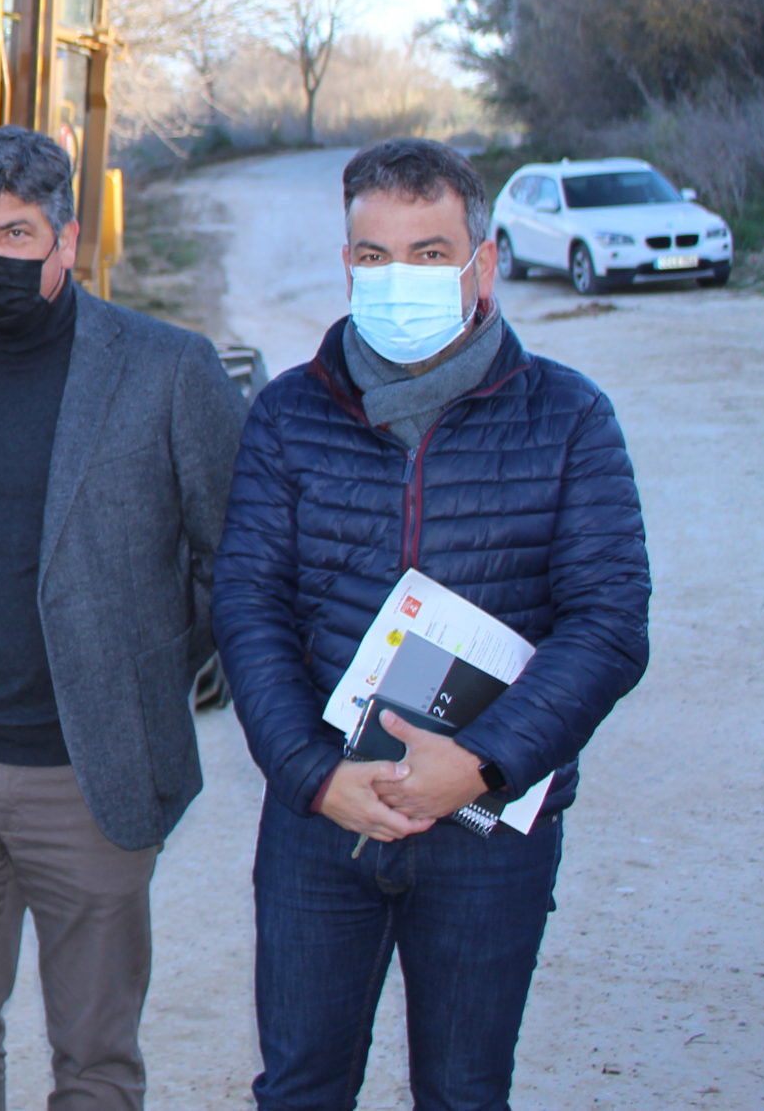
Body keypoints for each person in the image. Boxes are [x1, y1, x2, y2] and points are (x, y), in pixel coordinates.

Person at [214, 138, 651, 1111]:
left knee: (462, 1091)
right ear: (346, 264)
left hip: (487, 832)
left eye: (426, 252)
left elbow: (609, 622)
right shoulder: (288, 414)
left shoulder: (570, 417)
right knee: (298, 1087)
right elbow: (248, 603)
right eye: (372, 255)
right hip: (322, 822)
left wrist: (483, 764)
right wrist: (310, 772)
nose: (395, 277)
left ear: (481, 262)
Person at [0, 126, 247, 1111]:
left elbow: (235, 557)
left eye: (15, 230)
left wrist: (148, 675)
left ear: (67, 239)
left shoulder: (169, 369)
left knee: (94, 1052)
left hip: (93, 775)